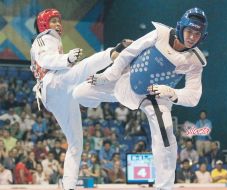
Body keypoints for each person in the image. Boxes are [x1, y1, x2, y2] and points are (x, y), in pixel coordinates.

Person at [73, 7, 208, 190]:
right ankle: (100, 97)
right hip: (126, 81)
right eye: (190, 31)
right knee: (80, 94)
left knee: (166, 132)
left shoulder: (195, 61)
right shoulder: (159, 33)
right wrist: (108, 75)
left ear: (202, 36)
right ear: (180, 27)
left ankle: (164, 187)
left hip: (155, 98)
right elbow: (129, 52)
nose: (192, 37)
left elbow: (193, 97)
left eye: (197, 34)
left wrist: (171, 92)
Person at [30, 8, 131, 190]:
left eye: (59, 21)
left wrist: (66, 61)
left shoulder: (53, 40)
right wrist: (66, 59)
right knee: (82, 69)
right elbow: (46, 59)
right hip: (52, 84)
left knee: (76, 142)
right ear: (43, 24)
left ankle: (68, 186)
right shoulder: (44, 37)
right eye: (53, 21)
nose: (58, 24)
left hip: (56, 96)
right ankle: (114, 52)